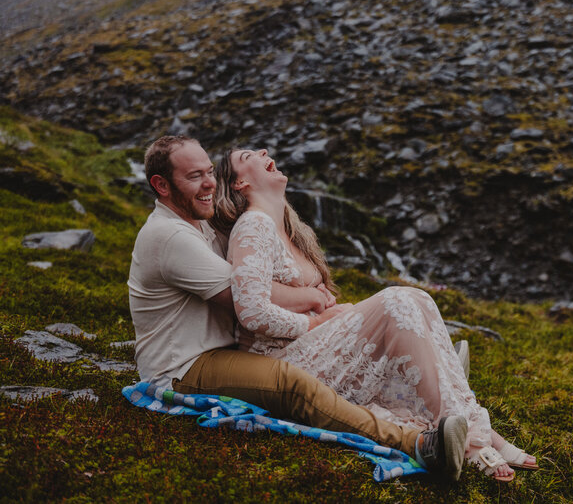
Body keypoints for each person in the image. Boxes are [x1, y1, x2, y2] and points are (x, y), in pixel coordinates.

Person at [127, 135, 468, 481]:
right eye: (194, 176)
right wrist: (316, 309)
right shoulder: (170, 237)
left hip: (219, 351)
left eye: (210, 172)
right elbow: (247, 294)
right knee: (293, 384)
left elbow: (257, 284)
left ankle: (427, 378)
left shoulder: (201, 224)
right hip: (183, 367)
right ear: (162, 185)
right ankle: (421, 445)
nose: (209, 184)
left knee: (337, 348)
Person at [213, 147, 539, 481]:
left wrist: (320, 306)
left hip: (311, 347)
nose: (264, 151)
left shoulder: (288, 228)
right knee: (396, 301)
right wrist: (316, 320)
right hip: (283, 360)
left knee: (417, 298)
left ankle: (464, 412)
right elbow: (251, 311)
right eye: (248, 154)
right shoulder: (253, 226)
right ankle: (472, 437)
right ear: (239, 183)